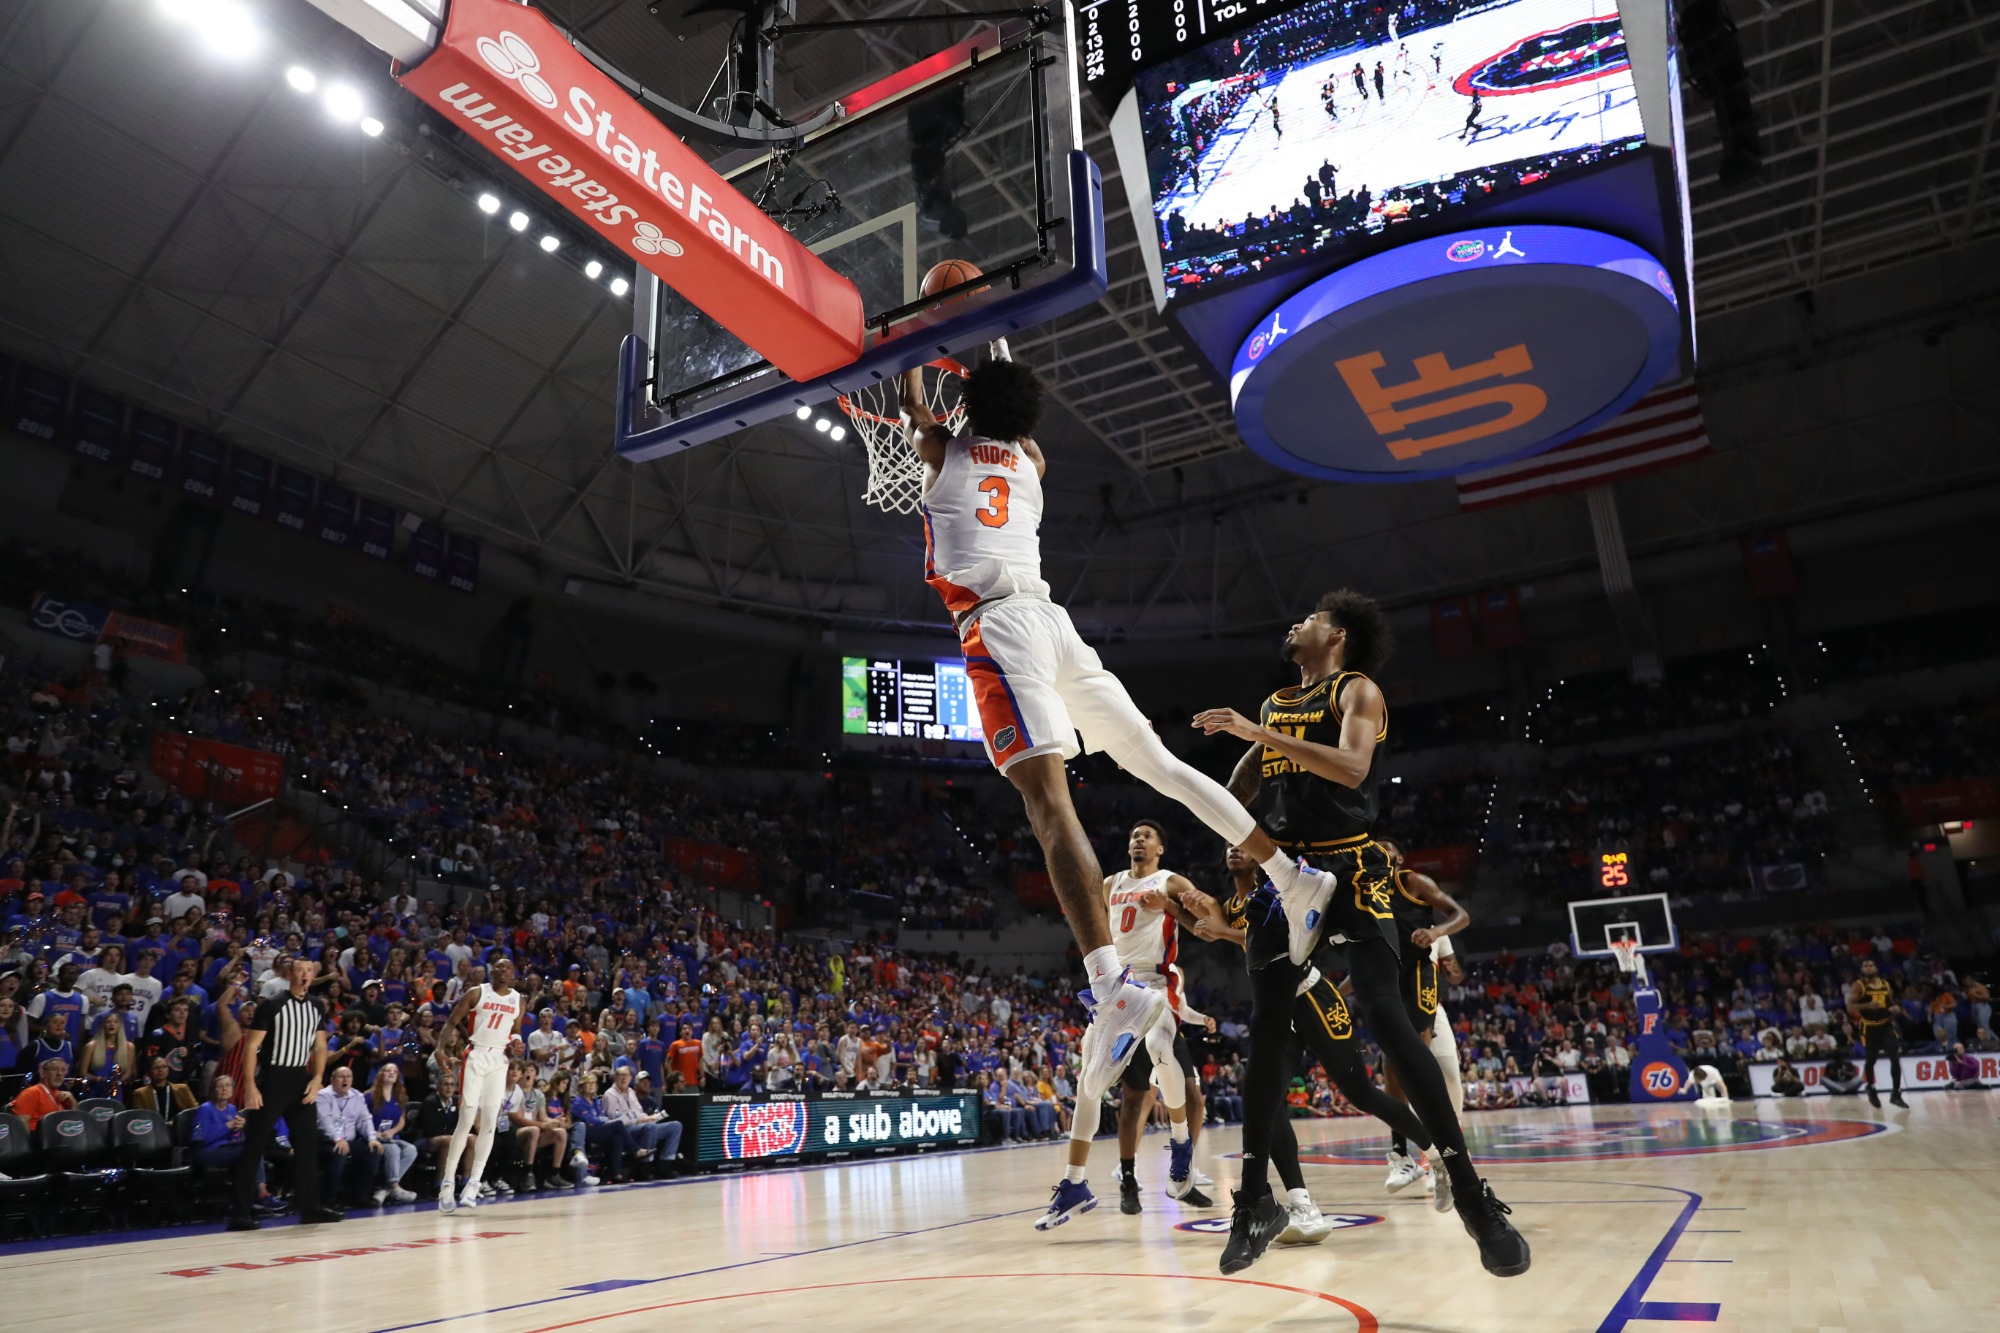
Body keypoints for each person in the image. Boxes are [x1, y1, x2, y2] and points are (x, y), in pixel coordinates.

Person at [900, 356, 1338, 1096]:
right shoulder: (1032, 460)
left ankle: (1110, 983)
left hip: (997, 628)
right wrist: (983, 368)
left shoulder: (940, 447)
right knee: (1162, 766)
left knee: (1048, 805)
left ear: (964, 405)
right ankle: (1292, 878)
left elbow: (916, 405)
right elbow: (1002, 426)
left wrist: (919, 354)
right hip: (1054, 621)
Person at [1192, 590, 1527, 1278]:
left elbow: (1350, 767)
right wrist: (1232, 820)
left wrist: (1255, 736)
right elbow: (1246, 780)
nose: (1296, 621)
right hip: (1284, 874)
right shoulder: (1275, 704)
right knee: (1266, 1029)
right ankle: (1256, 1201)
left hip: (1350, 867)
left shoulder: (1356, 689)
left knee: (1383, 1009)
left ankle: (1469, 1190)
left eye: (1309, 616)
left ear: (1336, 635)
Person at [1177, 846, 1449, 1255]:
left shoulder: (1282, 884)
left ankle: (1437, 1156)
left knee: (1361, 1093)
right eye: (1228, 845)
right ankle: (1302, 1204)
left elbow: (1281, 938)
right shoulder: (1233, 903)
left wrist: (1221, 929)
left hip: (1313, 997)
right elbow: (1223, 933)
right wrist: (1178, 907)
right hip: (1274, 1009)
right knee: (1269, 1102)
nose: (1233, 848)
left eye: (1241, 843)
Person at [1039, 819, 1211, 1228]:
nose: (1138, 840)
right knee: (1088, 1082)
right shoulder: (1110, 883)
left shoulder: (1171, 881)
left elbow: (1204, 925)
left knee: (1158, 1047)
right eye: (1133, 835)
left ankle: (1182, 1145)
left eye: (1147, 835)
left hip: (1156, 981)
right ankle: (1075, 1182)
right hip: (1115, 983)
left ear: (1160, 848)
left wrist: (1169, 907)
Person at [1374, 837, 1470, 1197]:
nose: (1379, 853)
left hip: (1427, 1000)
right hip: (1394, 994)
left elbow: (1454, 972)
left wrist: (1439, 940)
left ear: (1400, 858)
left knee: (1447, 1075)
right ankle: (1416, 1156)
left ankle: (1452, 1147)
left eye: (1387, 849)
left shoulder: (1417, 894)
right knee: (1397, 1069)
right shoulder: (1370, 902)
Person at [232, 957, 341, 1231]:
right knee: (254, 1144)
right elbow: (251, 1046)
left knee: (307, 1144)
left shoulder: (317, 1005)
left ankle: (310, 1207)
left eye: (309, 970)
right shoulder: (272, 1004)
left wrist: (317, 1079)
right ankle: (240, 1212)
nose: (305, 975)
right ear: (289, 973)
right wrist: (250, 1086)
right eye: (300, 970)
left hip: (300, 1078)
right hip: (272, 1078)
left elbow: (319, 1047)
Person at [435, 954, 525, 1213]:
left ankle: (473, 1183)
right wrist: (440, 1048)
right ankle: (448, 1184)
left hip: (499, 1060)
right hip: (475, 1055)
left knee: (490, 1123)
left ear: (513, 973)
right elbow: (452, 1021)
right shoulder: (477, 993)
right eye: (498, 967)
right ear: (491, 971)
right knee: (465, 1120)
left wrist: (517, 1041)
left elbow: (515, 1029)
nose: (503, 971)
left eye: (508, 967)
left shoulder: (518, 999)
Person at [191, 1074, 285, 1215]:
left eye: (228, 1086)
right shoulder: (205, 1109)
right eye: (220, 1086)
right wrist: (228, 1126)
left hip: (227, 1150)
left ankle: (246, 1200)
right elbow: (201, 1138)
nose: (224, 1089)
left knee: (252, 1149)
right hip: (207, 1151)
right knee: (250, 1151)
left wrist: (238, 1129)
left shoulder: (232, 1109)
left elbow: (234, 1138)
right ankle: (262, 1194)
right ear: (213, 1090)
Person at [1847, 958, 1906, 1108]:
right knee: (1871, 1059)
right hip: (1870, 1027)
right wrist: (1868, 1005)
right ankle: (1871, 1088)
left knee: (1894, 1057)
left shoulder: (1885, 984)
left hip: (1886, 1025)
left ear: (1876, 968)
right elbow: (1850, 1006)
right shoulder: (1859, 985)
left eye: (1870, 965)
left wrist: (1895, 1008)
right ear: (1862, 970)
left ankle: (1896, 1094)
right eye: (1865, 965)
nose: (1868, 968)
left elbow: (1890, 1002)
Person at [365, 1063, 420, 1204]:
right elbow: (361, 1118)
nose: (391, 1073)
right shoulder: (369, 1096)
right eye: (387, 1071)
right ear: (380, 1074)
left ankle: (385, 1189)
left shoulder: (399, 1096)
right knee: (393, 1150)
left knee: (411, 1150)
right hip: (373, 1137)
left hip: (390, 1136)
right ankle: (395, 1188)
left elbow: (401, 1120)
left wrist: (392, 1131)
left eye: (394, 1071)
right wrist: (373, 1133)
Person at [10, 1055, 76, 1129]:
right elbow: (21, 1124)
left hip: (58, 1137)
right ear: (43, 1073)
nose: (59, 1074)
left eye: (63, 1070)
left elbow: (75, 1122)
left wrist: (73, 1102)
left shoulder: (62, 1095)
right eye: (54, 1069)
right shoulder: (31, 1093)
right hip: (37, 1138)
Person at [127, 1055, 197, 1115]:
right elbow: (139, 1117)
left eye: (164, 1066)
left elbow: (196, 1110)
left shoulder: (182, 1089)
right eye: (156, 1068)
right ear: (148, 1072)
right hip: (154, 1128)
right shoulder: (140, 1093)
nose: (160, 1070)